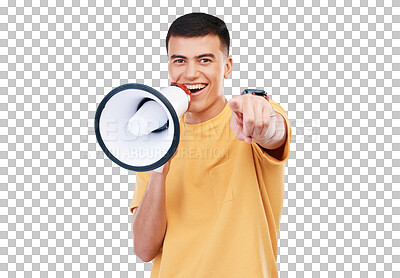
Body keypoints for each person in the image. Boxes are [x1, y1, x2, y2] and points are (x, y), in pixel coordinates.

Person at [130, 12, 292, 278]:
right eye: (179, 60)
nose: (191, 73)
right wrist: (158, 171)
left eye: (204, 59)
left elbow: (274, 132)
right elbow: (144, 250)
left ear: (227, 66)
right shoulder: (155, 137)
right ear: (170, 66)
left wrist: (262, 118)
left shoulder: (247, 116)